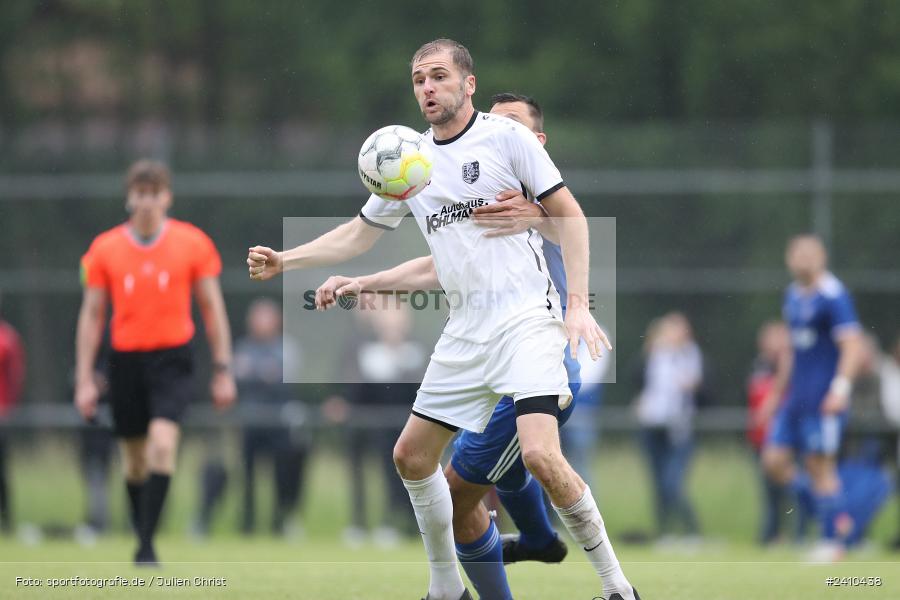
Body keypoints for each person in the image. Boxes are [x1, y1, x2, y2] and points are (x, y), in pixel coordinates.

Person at [248, 39, 638, 600]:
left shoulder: (507, 138)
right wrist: (286, 260)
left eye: (438, 76)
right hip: (466, 331)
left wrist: (577, 304)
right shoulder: (410, 160)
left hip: (527, 321)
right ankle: (446, 588)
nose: (427, 88)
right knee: (410, 456)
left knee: (539, 454)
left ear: (468, 83)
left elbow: (571, 217)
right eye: (418, 80)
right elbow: (359, 234)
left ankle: (618, 588)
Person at [315, 93, 590, 600]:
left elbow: (571, 223)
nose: (496, 134)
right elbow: (435, 265)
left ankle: (530, 554)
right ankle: (537, 538)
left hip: (536, 351)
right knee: (490, 470)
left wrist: (536, 217)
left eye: (513, 127)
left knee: (462, 493)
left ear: (536, 141)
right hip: (488, 352)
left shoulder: (540, 201)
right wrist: (365, 281)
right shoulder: (483, 187)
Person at [75, 160, 236, 565]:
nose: (147, 201)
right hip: (125, 361)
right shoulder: (104, 249)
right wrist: (85, 378)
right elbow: (92, 315)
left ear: (167, 198)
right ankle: (143, 534)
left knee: (162, 445)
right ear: (129, 198)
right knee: (134, 461)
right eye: (140, 193)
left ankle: (145, 546)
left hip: (172, 360)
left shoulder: (193, 244)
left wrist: (223, 370)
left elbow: (212, 308)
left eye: (154, 193)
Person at [759, 234, 863, 562]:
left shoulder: (834, 295)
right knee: (773, 461)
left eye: (809, 253)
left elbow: (853, 346)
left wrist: (840, 389)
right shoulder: (792, 295)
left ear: (822, 257)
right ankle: (838, 515)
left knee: (820, 466)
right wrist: (776, 394)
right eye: (797, 253)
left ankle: (834, 542)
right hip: (796, 400)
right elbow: (792, 350)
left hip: (823, 400)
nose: (802, 259)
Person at [233, 298, 308, 536]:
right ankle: (247, 523)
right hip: (250, 421)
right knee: (246, 474)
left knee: (282, 472)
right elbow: (238, 377)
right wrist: (264, 374)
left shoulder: (287, 349)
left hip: (278, 422)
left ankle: (280, 520)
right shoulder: (243, 347)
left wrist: (255, 373)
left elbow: (285, 382)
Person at [635, 312, 703, 541]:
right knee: (657, 484)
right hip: (652, 424)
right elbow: (643, 383)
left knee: (672, 482)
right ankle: (664, 532)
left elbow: (693, 384)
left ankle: (692, 531)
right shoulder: (654, 354)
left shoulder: (689, 354)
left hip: (678, 427)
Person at [746, 320, 804, 544]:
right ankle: (770, 536)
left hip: (786, 437)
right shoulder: (759, 365)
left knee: (792, 490)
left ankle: (798, 536)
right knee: (769, 493)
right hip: (761, 436)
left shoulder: (792, 365)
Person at [0, 290, 25, 534]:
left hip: (2, 415)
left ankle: (6, 521)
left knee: (1, 470)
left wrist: (9, 407)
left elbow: (15, 376)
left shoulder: (7, 338)